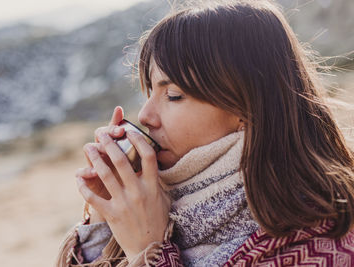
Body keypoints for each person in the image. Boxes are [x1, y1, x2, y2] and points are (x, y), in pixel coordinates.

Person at [56, 0, 354, 266]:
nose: (145, 116)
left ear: (247, 107)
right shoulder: (155, 204)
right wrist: (103, 222)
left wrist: (146, 250)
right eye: (147, 91)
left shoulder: (323, 242)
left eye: (172, 95)